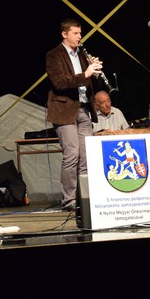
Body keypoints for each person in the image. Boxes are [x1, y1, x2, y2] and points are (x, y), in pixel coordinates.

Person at [45, 18, 104, 211]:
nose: (80, 37)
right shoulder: (54, 55)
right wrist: (86, 74)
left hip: (84, 108)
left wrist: (95, 74)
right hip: (64, 110)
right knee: (72, 154)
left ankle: (84, 196)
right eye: (76, 33)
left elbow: (91, 85)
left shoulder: (82, 55)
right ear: (65, 34)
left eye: (80, 33)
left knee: (86, 156)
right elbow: (60, 83)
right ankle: (69, 199)